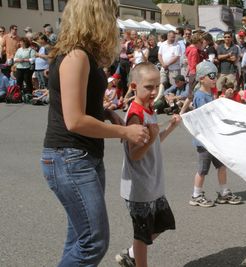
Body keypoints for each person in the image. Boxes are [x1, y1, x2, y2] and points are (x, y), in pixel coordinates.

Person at [40, 1, 150, 266]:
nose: (114, 21)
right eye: (111, 15)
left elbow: (78, 103)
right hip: (70, 158)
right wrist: (124, 130)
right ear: (96, 17)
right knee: (92, 242)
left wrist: (104, 113)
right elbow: (75, 121)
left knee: (79, 238)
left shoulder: (80, 54)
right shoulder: (76, 56)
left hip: (79, 157)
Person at [116, 62, 180, 267]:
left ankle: (131, 253)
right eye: (149, 87)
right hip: (139, 187)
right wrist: (152, 137)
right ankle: (136, 258)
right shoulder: (136, 114)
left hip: (153, 182)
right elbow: (135, 154)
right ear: (134, 87)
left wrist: (169, 127)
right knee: (143, 235)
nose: (154, 92)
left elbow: (153, 143)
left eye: (157, 86)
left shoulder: (148, 108)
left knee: (163, 223)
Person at [190, 61, 242, 207]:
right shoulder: (200, 96)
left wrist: (223, 98)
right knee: (202, 170)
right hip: (204, 141)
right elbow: (205, 115)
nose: (214, 78)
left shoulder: (209, 93)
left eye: (215, 75)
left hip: (214, 139)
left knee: (222, 166)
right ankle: (196, 194)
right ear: (201, 78)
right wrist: (221, 101)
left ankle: (224, 192)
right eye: (211, 75)